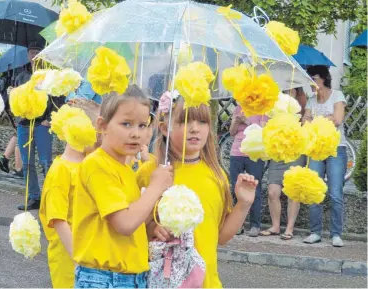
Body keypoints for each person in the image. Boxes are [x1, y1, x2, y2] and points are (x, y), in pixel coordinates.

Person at [138, 93, 258, 288]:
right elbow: (130, 222)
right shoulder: (151, 172)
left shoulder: (216, 175)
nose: (194, 129)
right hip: (161, 281)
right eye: (184, 121)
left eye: (202, 121)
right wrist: (151, 228)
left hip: (206, 282)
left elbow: (221, 236)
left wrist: (244, 203)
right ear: (164, 128)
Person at [72, 85, 173, 288]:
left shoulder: (126, 170)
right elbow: (124, 224)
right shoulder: (97, 164)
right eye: (126, 124)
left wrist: (151, 227)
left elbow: (131, 223)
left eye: (142, 125)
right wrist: (155, 187)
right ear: (102, 125)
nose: (136, 133)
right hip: (105, 279)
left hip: (132, 277)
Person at [39, 99, 100, 288]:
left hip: (90, 251)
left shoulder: (89, 165)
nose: (101, 139)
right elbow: (58, 219)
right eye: (99, 132)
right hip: (69, 256)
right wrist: (79, 256)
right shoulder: (61, 170)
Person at [302, 65, 348, 247]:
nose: (310, 82)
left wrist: (314, 120)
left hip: (336, 149)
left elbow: (337, 119)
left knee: (335, 192)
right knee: (315, 190)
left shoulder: (337, 96)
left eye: (312, 78)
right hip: (315, 150)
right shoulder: (311, 101)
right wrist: (322, 119)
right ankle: (315, 232)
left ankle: (336, 234)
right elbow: (304, 121)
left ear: (322, 78)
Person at [11, 42, 56, 210]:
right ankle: (34, 197)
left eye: (37, 52)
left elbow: (56, 97)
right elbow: (15, 98)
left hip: (42, 124)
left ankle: (51, 197)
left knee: (46, 162)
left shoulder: (48, 76)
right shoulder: (21, 75)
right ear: (28, 54)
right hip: (24, 124)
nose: (34, 55)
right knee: (27, 162)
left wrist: (49, 118)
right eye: (31, 52)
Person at [261, 87, 307, 240]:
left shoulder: (300, 98)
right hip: (278, 149)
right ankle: (275, 226)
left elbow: (305, 120)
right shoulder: (275, 98)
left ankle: (289, 228)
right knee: (273, 191)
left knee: (293, 192)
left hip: (295, 150)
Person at [229, 105, 268, 237]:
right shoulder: (239, 108)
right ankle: (237, 225)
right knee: (235, 187)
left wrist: (247, 122)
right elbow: (231, 132)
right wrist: (236, 121)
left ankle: (255, 225)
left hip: (254, 153)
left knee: (254, 188)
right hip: (236, 152)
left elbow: (264, 132)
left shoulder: (264, 110)